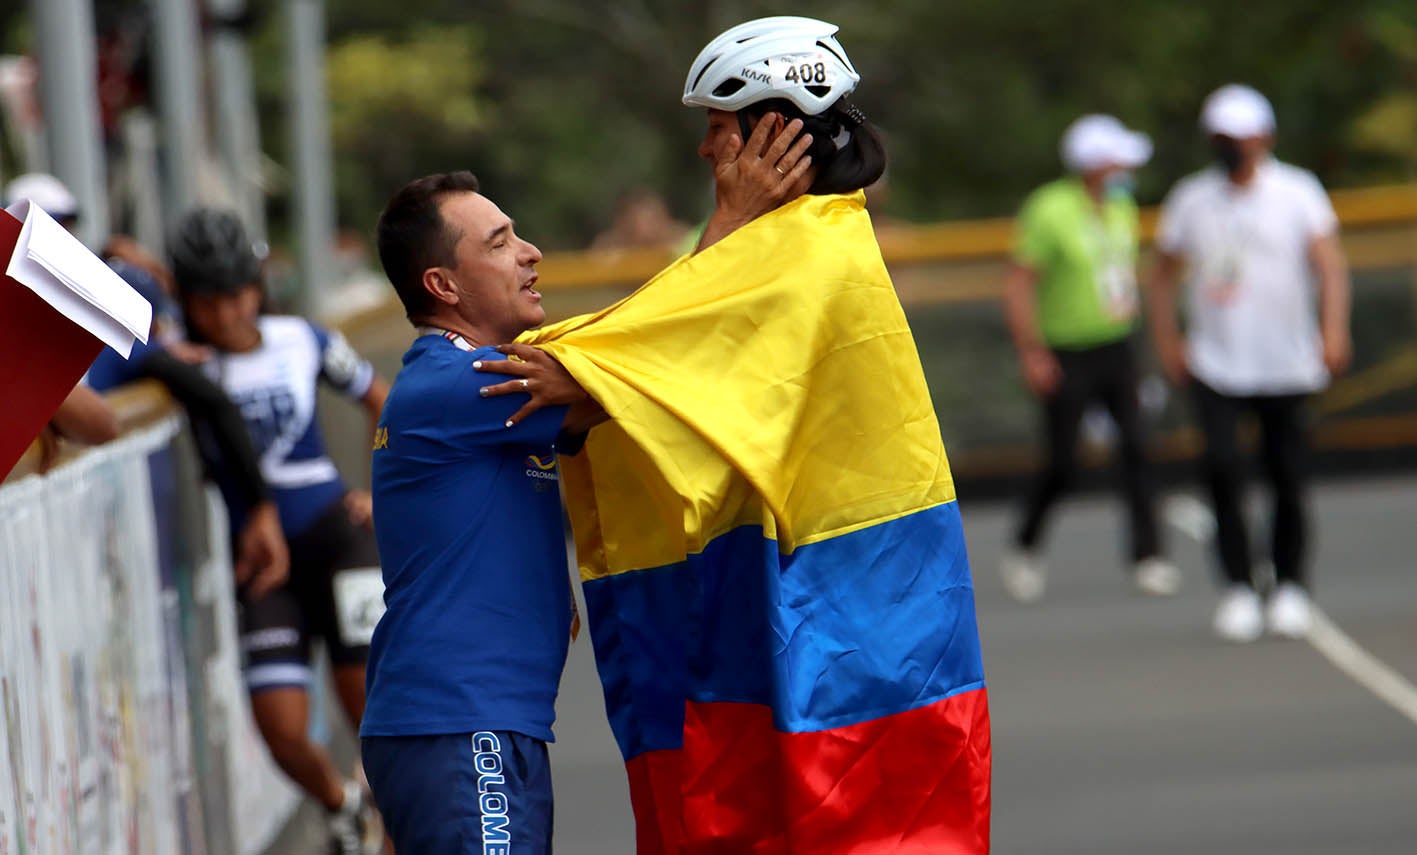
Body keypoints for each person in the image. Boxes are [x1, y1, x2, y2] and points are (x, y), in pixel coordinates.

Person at [479, 16, 990, 853]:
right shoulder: (780, 243)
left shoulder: (809, 253)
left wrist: (574, 372)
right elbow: (668, 333)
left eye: (717, 128)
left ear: (776, 132)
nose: (705, 150)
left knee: (859, 823)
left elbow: (649, 351)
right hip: (830, 595)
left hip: (857, 603)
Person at [360, 117, 810, 852]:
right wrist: (731, 220)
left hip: (482, 720)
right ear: (441, 284)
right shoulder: (464, 382)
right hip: (459, 720)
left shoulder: (490, 378)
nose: (530, 251)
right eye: (500, 242)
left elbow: (634, 368)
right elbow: (649, 364)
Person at [167, 208, 390, 853]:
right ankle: (342, 804)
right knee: (281, 727)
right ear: (189, 301)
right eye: (210, 301)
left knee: (370, 712)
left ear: (257, 286)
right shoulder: (183, 363)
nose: (230, 313)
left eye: (240, 293)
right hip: (264, 564)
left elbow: (384, 400)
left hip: (338, 539)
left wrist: (383, 491)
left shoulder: (303, 339)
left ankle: (394, 818)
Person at [3, 173, 289, 596]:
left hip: (91, 550)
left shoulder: (91, 321)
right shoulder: (44, 328)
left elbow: (107, 421)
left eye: (64, 224)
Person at [1147, 84, 1352, 643]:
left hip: (1287, 360)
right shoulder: (1192, 198)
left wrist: (1333, 328)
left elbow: (1329, 265)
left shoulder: (1298, 192)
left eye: (1238, 138)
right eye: (1220, 138)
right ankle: (1239, 585)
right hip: (1216, 361)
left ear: (1263, 138)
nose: (1229, 148)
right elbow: (1161, 273)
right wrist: (1169, 340)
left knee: (1286, 474)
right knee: (1221, 469)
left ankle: (1290, 584)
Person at [999, 114, 1181, 602]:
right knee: (1063, 461)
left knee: (1138, 448)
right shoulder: (1050, 209)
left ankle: (1148, 555)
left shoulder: (1120, 205)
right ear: (1094, 164)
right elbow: (1020, 282)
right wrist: (1033, 351)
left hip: (1117, 343)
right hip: (1067, 350)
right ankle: (1026, 544)